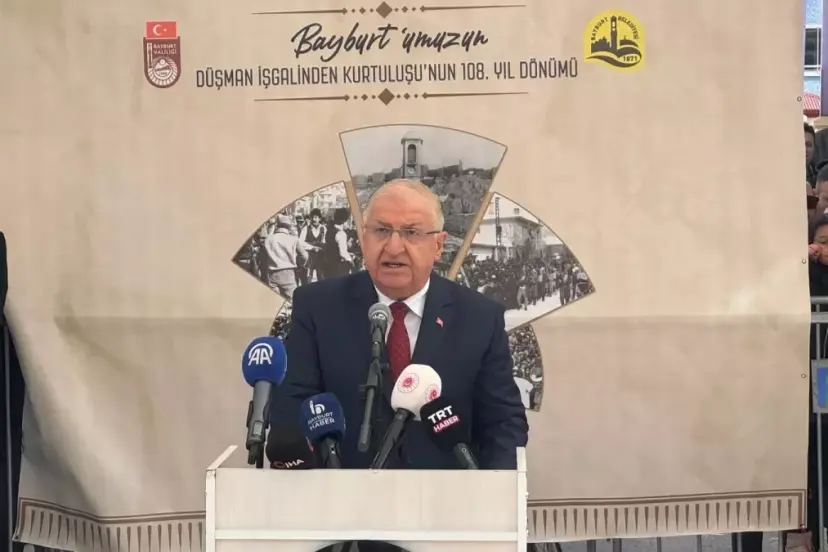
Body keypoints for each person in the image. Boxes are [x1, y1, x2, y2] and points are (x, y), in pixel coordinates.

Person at [273, 178, 529, 474]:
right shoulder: (317, 307)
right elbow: (291, 406)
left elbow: (503, 422)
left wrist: (494, 490)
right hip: (341, 495)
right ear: (364, 238)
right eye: (382, 231)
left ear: (438, 245)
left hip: (446, 497)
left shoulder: (479, 317)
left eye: (411, 232)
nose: (394, 247)